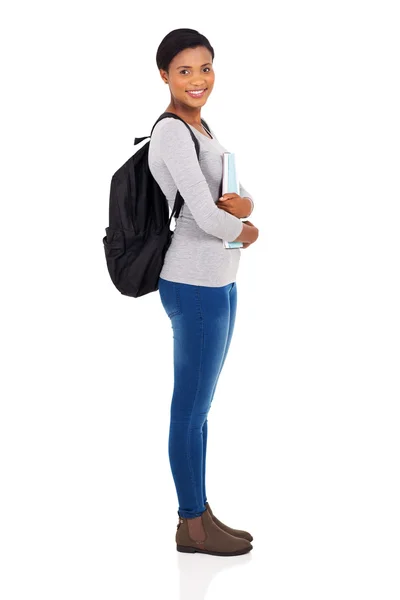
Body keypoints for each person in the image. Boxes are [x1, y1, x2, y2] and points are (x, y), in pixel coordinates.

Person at [149, 28, 259, 556]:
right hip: (193, 284)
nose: (198, 80)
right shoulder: (172, 132)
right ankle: (190, 525)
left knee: (201, 407)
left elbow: (234, 196)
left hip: (219, 282)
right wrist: (247, 229)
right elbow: (208, 214)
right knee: (188, 410)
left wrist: (243, 210)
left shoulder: (202, 126)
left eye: (206, 68)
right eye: (185, 70)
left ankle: (201, 512)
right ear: (165, 76)